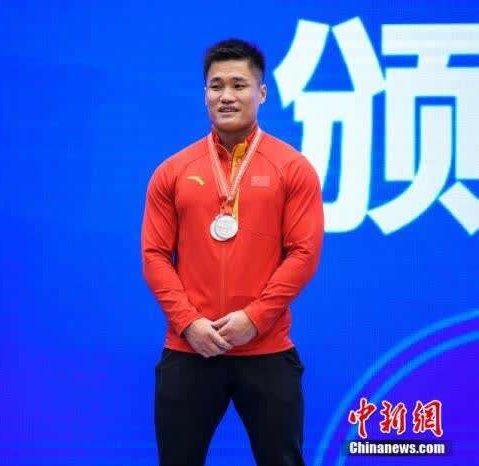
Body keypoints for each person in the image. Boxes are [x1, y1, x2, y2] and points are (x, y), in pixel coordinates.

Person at [141, 39, 324, 466]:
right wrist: (189, 323)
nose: (226, 96)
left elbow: (303, 253)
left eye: (239, 85)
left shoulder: (292, 168)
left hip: (266, 350)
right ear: (204, 93)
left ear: (262, 93)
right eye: (216, 85)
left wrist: (254, 319)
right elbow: (154, 255)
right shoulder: (173, 171)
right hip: (189, 349)